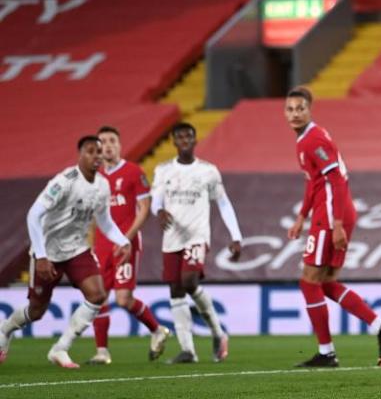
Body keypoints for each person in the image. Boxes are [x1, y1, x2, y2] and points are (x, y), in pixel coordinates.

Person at [284, 87, 381, 368]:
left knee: (308, 281)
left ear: (310, 109)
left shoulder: (312, 140)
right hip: (331, 213)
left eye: (300, 108)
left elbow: (335, 178)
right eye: (290, 109)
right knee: (324, 283)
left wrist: (336, 224)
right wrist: (302, 216)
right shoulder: (306, 140)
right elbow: (314, 182)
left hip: (331, 215)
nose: (295, 114)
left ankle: (326, 353)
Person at [0, 136, 132, 368]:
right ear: (80, 154)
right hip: (47, 251)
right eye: (91, 151)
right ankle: (5, 330)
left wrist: (124, 241)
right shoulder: (64, 181)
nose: (96, 156)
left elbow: (105, 221)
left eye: (99, 152)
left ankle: (60, 348)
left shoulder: (102, 184)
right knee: (37, 310)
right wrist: (40, 255)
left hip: (77, 249)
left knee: (97, 295)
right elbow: (33, 215)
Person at [151, 122, 242, 364]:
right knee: (176, 290)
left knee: (188, 281)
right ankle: (188, 350)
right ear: (173, 141)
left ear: (194, 140)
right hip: (171, 238)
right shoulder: (163, 170)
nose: (184, 140)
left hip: (197, 236)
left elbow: (223, 203)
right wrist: (158, 211)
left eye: (188, 136)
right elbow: (155, 201)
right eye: (179, 136)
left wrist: (236, 236)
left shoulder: (208, 171)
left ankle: (218, 333)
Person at [87, 125, 171, 365]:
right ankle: (102, 352)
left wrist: (126, 238)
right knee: (97, 297)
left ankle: (157, 330)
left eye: (113, 140)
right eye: (103, 141)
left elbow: (144, 209)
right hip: (101, 246)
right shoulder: (95, 177)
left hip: (127, 242)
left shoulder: (134, 172)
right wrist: (91, 244)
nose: (108, 144)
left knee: (123, 299)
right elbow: (93, 214)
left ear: (120, 144)